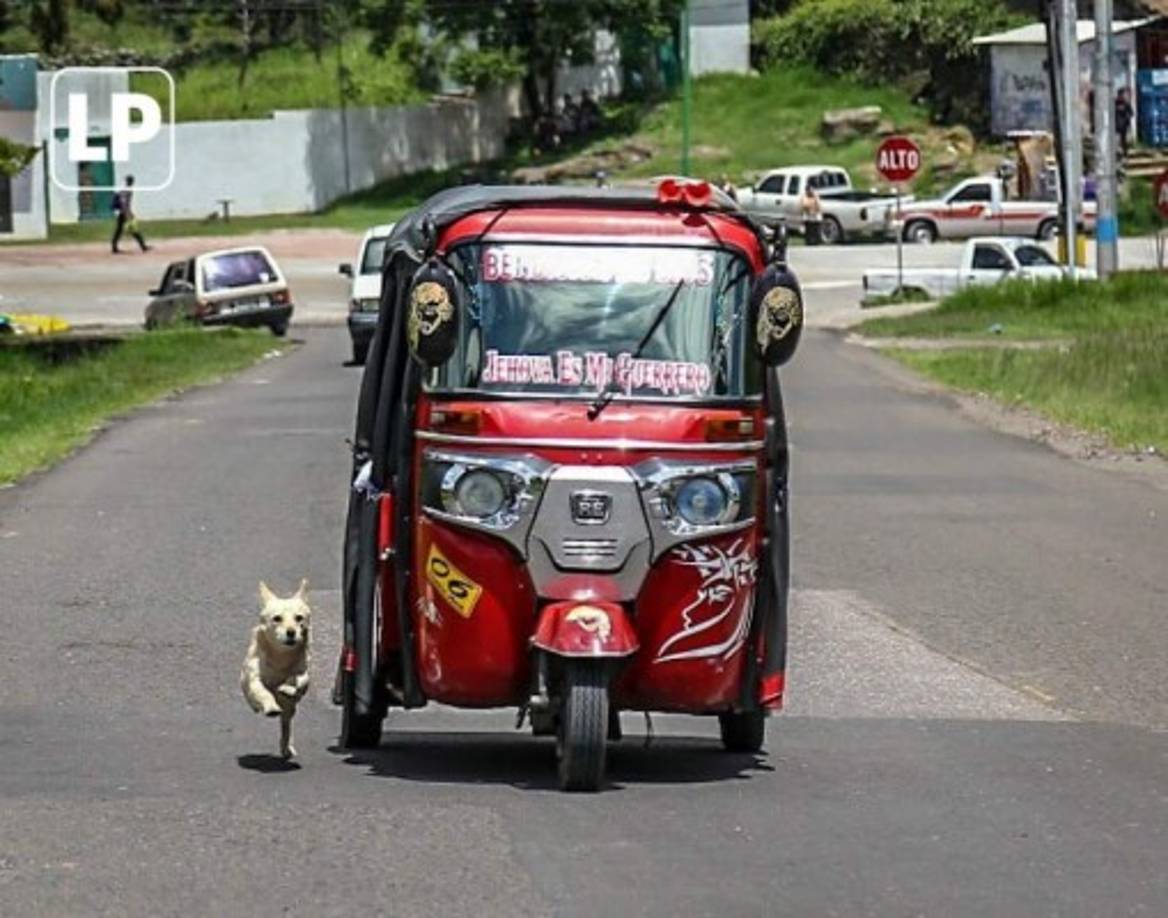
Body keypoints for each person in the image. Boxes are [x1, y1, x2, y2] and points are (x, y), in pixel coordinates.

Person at [111, 175, 150, 254]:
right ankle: (143, 247)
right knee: (133, 230)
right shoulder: (127, 190)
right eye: (132, 181)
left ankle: (114, 248)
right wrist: (128, 214)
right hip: (124, 213)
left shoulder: (125, 189)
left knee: (119, 230)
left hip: (123, 213)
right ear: (131, 181)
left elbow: (124, 202)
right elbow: (124, 203)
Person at [1115, 88, 1134, 159]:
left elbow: (1131, 113)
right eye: (1122, 94)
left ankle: (1125, 154)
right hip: (1116, 125)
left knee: (1124, 141)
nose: (1124, 96)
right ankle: (1117, 153)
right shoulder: (1115, 103)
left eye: (1124, 95)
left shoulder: (1126, 103)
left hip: (1124, 125)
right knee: (1116, 140)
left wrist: (1126, 116)